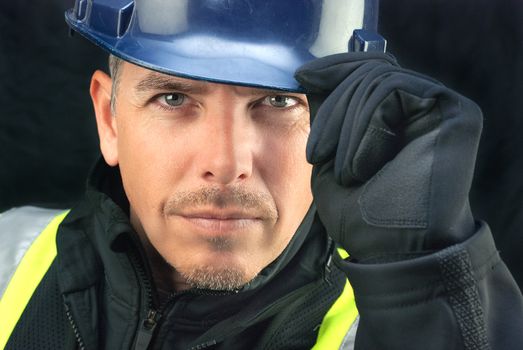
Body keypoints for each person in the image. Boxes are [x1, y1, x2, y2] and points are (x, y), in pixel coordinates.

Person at [1, 0, 522, 349]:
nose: (227, 165)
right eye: (174, 97)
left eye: (277, 101)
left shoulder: (384, 328)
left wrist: (433, 285)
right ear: (110, 118)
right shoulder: (6, 260)